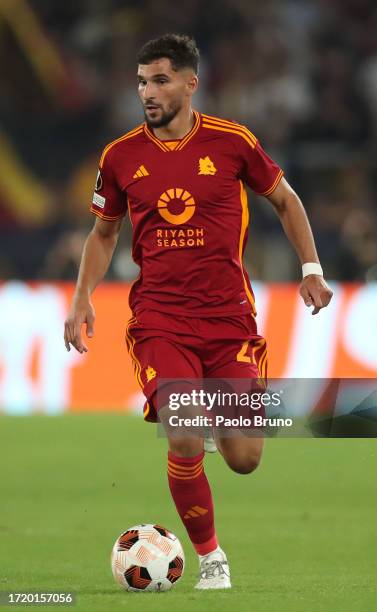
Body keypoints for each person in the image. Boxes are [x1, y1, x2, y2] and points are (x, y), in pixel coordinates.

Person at [64, 33, 333, 590]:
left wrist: (310, 269)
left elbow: (285, 199)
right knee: (183, 433)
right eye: (141, 81)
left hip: (229, 318)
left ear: (191, 82)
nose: (147, 92)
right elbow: (103, 231)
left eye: (159, 80)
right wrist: (81, 295)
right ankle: (212, 558)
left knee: (244, 458)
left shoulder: (233, 142)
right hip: (159, 318)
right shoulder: (120, 156)